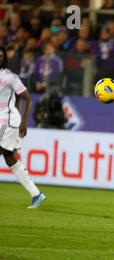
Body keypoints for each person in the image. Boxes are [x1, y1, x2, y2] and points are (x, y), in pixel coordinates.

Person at [0, 47, 45, 208]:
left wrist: (24, 120)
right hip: (3, 120)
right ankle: (36, 194)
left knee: (7, 155)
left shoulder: (10, 77)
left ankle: (37, 194)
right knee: (10, 158)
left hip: (8, 120)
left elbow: (26, 97)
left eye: (1, 55)